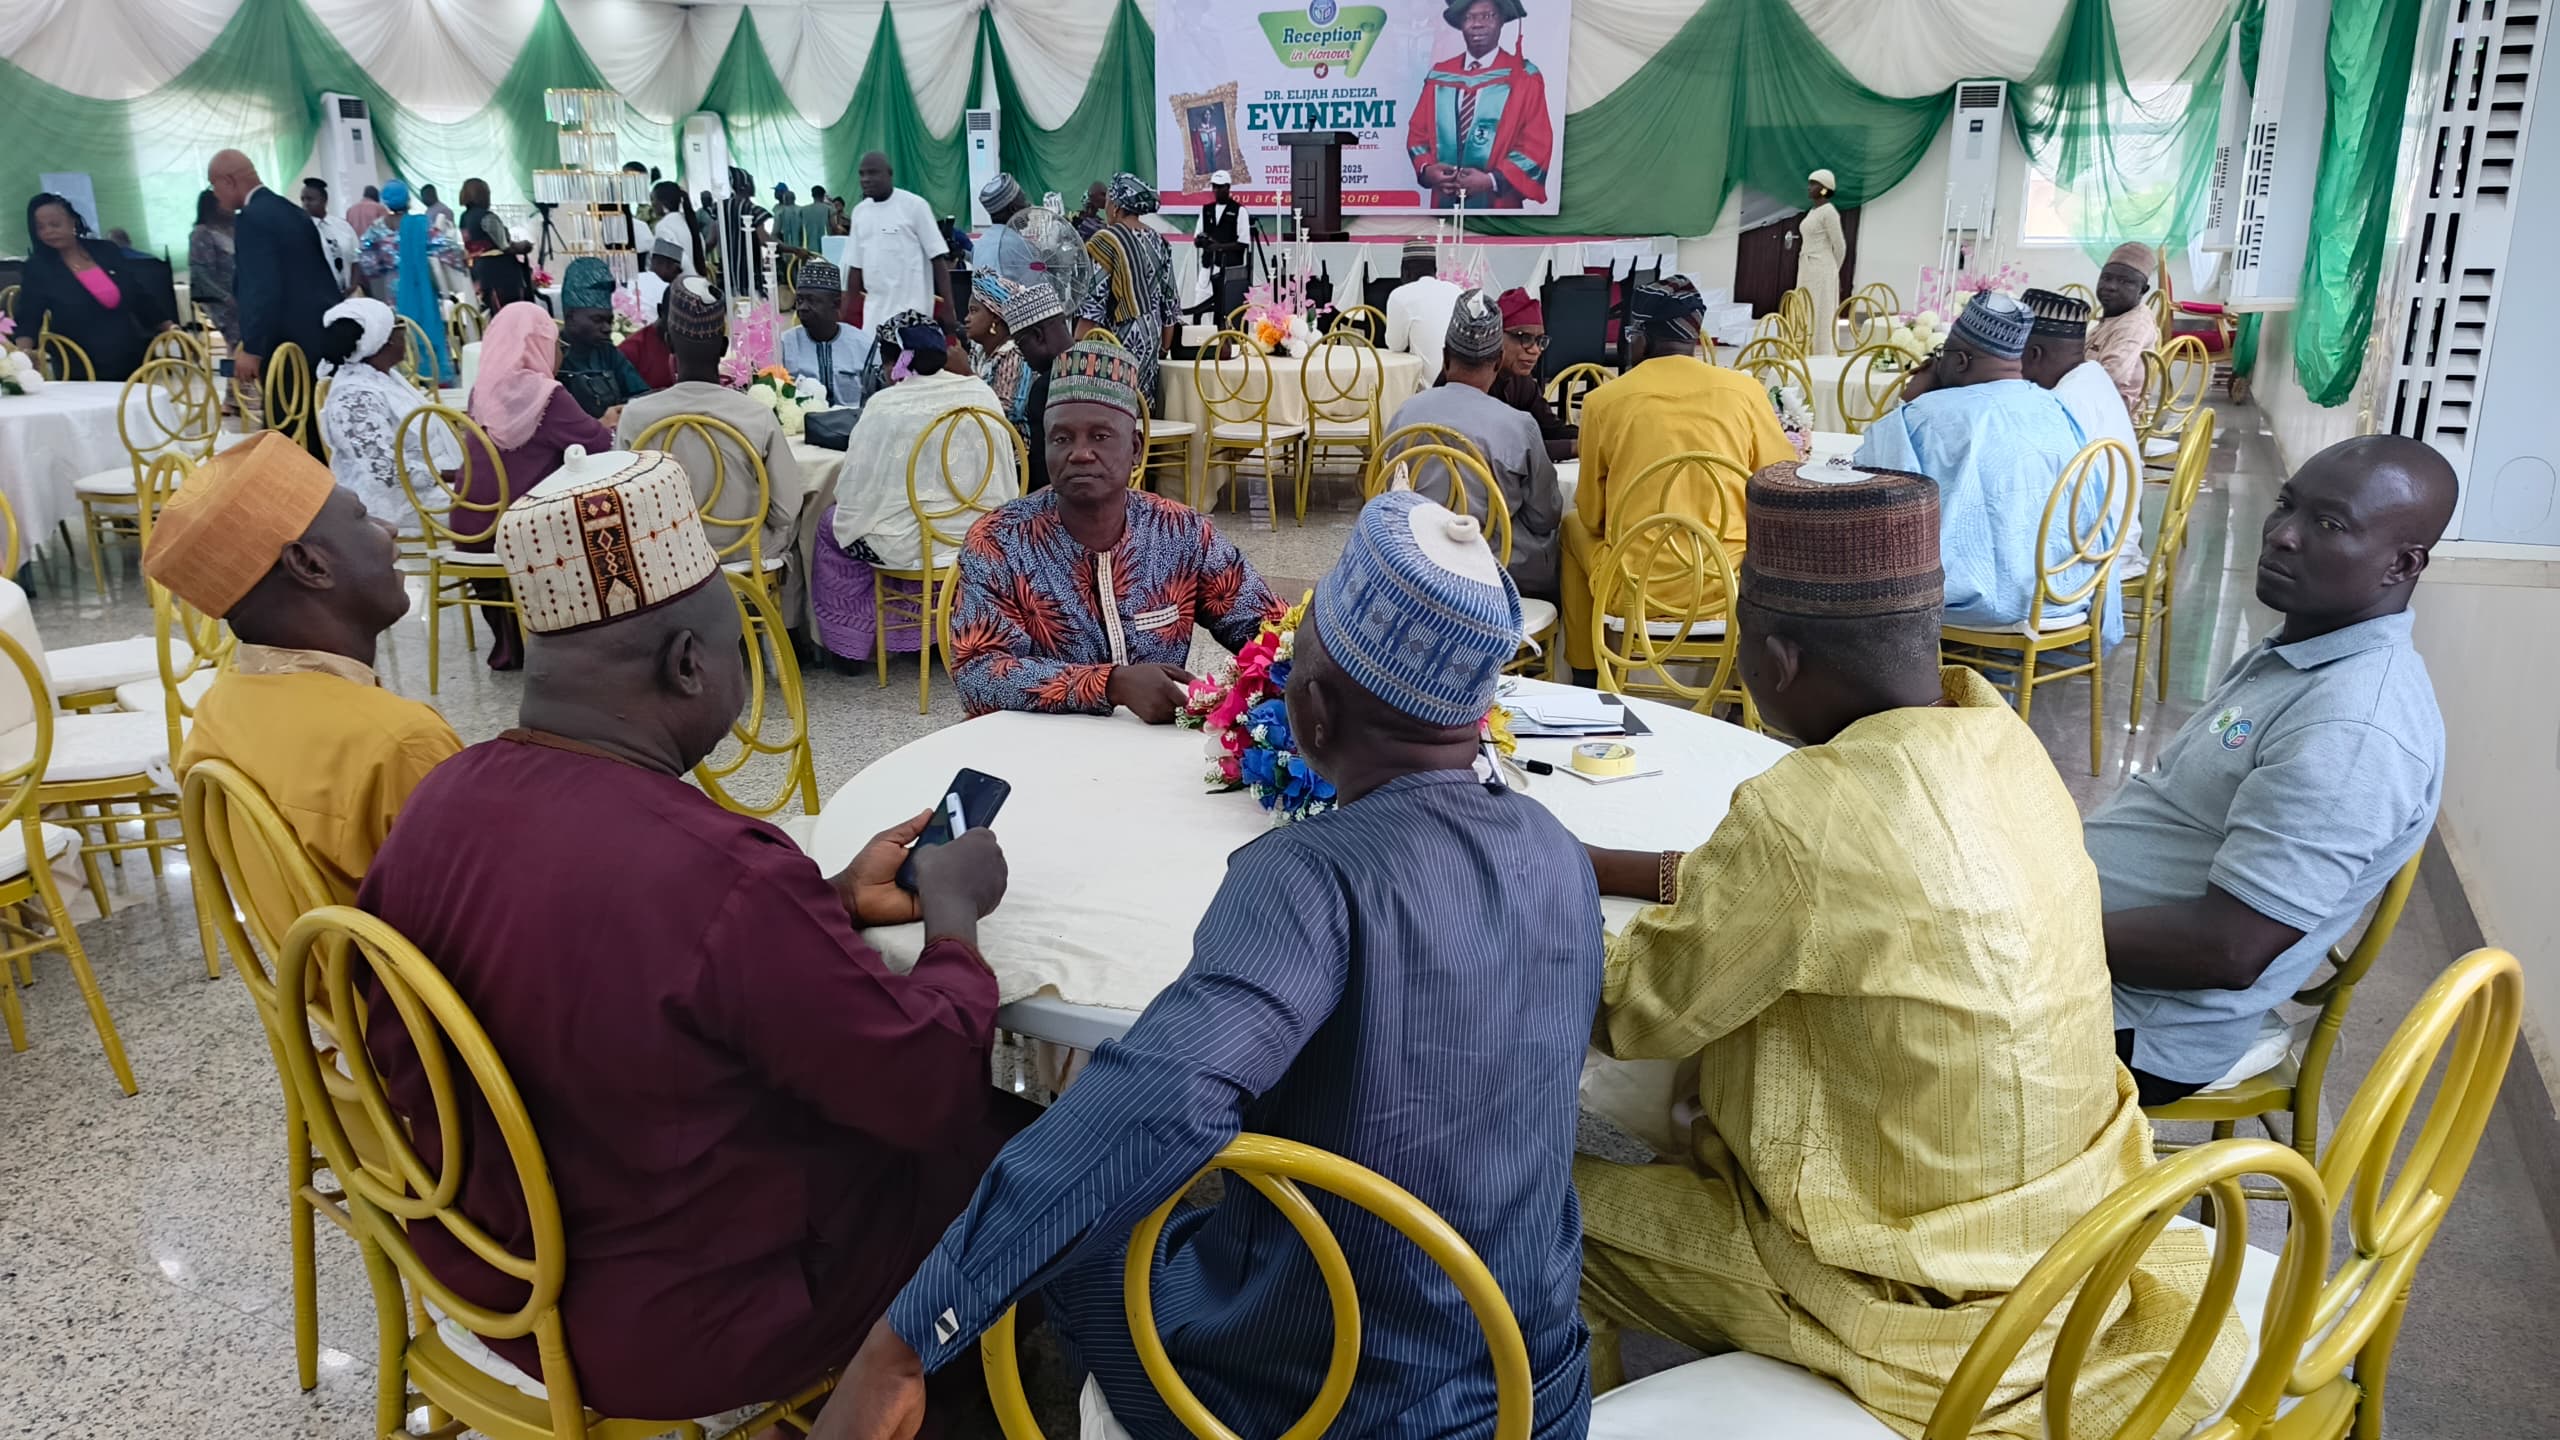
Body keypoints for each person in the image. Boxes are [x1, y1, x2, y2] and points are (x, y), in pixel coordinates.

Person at [814, 487, 1598, 1440]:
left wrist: (905, 1339)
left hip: (1320, 1408)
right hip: (1531, 1386)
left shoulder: (1312, 877)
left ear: (1309, 713)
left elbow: (1158, 1106)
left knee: (1082, 1219)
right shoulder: (1557, 852)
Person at [357, 454, 1029, 1422]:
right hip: (683, 1324)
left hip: (489, 1274)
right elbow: (925, 1087)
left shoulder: (438, 804)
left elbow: (616, 979)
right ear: (687, 663)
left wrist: (830, 904)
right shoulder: (721, 874)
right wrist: (954, 916)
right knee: (1019, 1153)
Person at [1576, 463, 2240, 1439]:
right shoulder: (2004, 743)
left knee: (1539, 1204)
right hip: (2081, 1244)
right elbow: (1830, 903)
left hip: (1927, 1315)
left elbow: (1631, 1012)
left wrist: (1529, 881)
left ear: (1777, 659)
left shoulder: (1803, 817)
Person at [2090, 436, 2455, 1104]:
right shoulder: (2306, 651)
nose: (2282, 534)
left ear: (2401, 564)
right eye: (2287, 504)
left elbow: (2228, 951)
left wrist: (2035, 927)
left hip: (2132, 1023)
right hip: (2099, 963)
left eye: (2329, 524)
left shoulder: (2352, 731)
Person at [144, 431, 459, 924]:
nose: (389, 529)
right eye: (362, 517)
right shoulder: (396, 741)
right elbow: (485, 923)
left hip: (317, 971)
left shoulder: (217, 713)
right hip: (400, 977)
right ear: (309, 564)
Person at [946, 340, 1279, 720]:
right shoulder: (999, 542)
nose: (1080, 453)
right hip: (1035, 747)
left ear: (1135, 447)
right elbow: (978, 675)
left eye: (1100, 437)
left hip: (1152, 745)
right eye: (1061, 438)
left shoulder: (1181, 533)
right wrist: (1109, 684)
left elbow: (1269, 630)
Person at [1857, 291, 2124, 646]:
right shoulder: (2057, 408)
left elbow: (1869, 486)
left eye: (1942, 354)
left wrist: (1907, 401)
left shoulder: (1925, 416)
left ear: (1961, 361)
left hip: (1980, 605)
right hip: (2067, 593)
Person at [1563, 275, 1792, 679]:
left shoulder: (1603, 401)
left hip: (1636, 590)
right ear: (1695, 334)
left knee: (1570, 527)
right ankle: (1743, 684)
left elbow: (1593, 516)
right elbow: (1779, 486)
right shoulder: (1746, 392)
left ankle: (1585, 671)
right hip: (1728, 585)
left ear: (1639, 338)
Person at [814, 319, 1017, 670]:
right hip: (981, 538)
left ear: (894, 363)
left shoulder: (885, 404)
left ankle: (851, 647)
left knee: (833, 525)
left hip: (904, 548)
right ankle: (941, 632)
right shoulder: (981, 393)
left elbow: (852, 493)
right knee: (910, 522)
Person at [615, 278, 807, 577]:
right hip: (746, 557)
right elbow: (785, 510)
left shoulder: (635, 416)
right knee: (799, 531)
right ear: (723, 347)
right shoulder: (756, 415)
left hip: (668, 562)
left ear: (668, 341)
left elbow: (626, 507)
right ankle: (781, 609)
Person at [463, 300, 616, 670]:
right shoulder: (545, 395)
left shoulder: (479, 393)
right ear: (538, 344)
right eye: (556, 344)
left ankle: (514, 640)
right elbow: (599, 444)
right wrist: (607, 419)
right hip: (521, 531)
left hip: (470, 528)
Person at [1382, 288, 1561, 599]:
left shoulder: (1405, 414)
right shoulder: (1519, 426)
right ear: (1498, 362)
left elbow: (1390, 497)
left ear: (1445, 358)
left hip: (1416, 562)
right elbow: (1544, 515)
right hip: (1494, 567)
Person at [314, 296, 458, 530]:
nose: (405, 333)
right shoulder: (354, 398)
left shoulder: (381, 377)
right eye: (399, 326)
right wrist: (453, 476)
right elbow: (387, 472)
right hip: (401, 504)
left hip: (429, 486)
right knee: (502, 501)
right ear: (386, 340)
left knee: (506, 485)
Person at [2022, 288, 2144, 561]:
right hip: (2114, 536)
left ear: (2033, 354)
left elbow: (2034, 494)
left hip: (2092, 557)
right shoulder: (2092, 375)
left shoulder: (2063, 403)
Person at [11, 192, 171, 383]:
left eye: (55, 224)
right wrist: (23, 355)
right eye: (40, 227)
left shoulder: (106, 251)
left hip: (127, 351)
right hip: (78, 361)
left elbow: (138, 296)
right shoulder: (38, 267)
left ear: (73, 221)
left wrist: (170, 328)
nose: (48, 231)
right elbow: (29, 315)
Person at [1408, 0, 1553, 210]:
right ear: (1460, 23)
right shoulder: (1440, 75)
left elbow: (1536, 143)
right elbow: (1417, 133)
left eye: (1487, 16)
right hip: (1444, 207)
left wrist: (1491, 180)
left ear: (1502, 20)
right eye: (1469, 17)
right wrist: (1427, 169)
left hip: (1499, 209)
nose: (1477, 24)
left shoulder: (1523, 76)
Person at [1077, 175, 1181, 409]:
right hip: (1151, 340)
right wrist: (1163, 348)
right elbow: (1170, 302)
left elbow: (1093, 302)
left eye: (1107, 202)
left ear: (1116, 206)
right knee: (1140, 412)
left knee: (1110, 412)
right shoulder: (1159, 241)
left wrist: (1077, 344)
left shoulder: (1106, 240)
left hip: (1116, 342)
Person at [356, 180, 462, 387]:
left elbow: (367, 263)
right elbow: (448, 248)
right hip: (422, 289)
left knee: (400, 332)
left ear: (385, 202)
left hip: (394, 290)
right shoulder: (422, 225)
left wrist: (386, 266)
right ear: (408, 200)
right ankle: (434, 378)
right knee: (426, 328)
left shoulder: (376, 229)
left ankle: (407, 379)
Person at [849, 152, 951, 328]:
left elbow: (938, 260)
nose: (865, 179)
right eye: (862, 174)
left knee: (909, 349)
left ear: (889, 173)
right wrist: (848, 311)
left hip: (913, 318)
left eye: (872, 173)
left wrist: (949, 307)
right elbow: (855, 268)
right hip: (874, 320)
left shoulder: (915, 207)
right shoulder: (859, 212)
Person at [556, 257, 651, 422]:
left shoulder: (607, 352)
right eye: (597, 320)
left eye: (609, 321)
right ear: (571, 318)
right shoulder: (552, 355)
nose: (607, 328)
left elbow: (641, 395)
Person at [779, 259, 874, 408]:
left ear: (836, 304)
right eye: (800, 300)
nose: (802, 307)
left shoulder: (864, 346)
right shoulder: (784, 345)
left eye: (812, 300)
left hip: (853, 421)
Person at [1493, 287, 1573, 459]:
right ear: (1497, 336)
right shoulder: (1476, 378)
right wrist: (1576, 447)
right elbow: (1504, 450)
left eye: (1539, 341)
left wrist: (1597, 435)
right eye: (1525, 338)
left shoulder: (1522, 380)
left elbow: (1551, 429)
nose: (1535, 350)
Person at [2088, 241, 2157, 420]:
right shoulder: (2115, 316)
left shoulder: (2134, 325)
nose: (2110, 286)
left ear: (2142, 291)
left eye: (2124, 281)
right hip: (2093, 404)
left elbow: (2110, 378)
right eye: (2106, 278)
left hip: (2112, 418)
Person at [1384, 239, 1464, 383]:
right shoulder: (1456, 291)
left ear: (1404, 271)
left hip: (1425, 389)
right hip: (1460, 384)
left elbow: (1395, 345)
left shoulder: (1400, 295)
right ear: (1435, 270)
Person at [457, 177, 531, 309]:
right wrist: (524, 246)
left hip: (478, 270)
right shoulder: (487, 217)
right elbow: (505, 246)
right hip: (499, 272)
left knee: (491, 311)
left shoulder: (463, 218)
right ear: (483, 196)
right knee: (510, 310)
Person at [1798, 168, 1846, 356]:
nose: (1809, 187)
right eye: (1809, 183)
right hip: (1807, 267)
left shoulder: (1829, 212)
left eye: (1814, 184)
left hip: (1822, 269)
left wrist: (1833, 271)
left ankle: (1821, 352)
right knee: (1805, 307)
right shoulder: (1813, 211)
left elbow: (1840, 246)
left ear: (1824, 189)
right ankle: (1805, 348)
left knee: (1820, 310)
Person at [188, 188, 240, 351]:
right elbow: (200, 274)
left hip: (244, 293)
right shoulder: (201, 233)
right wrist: (225, 297)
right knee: (239, 343)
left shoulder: (236, 228)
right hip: (222, 300)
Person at [618, 266, 680, 391]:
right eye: (676, 320)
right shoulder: (631, 350)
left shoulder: (692, 344)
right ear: (661, 311)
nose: (682, 329)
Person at [301, 177, 360, 298]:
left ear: (324, 201)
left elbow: (356, 258)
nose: (305, 204)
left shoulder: (343, 226)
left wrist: (353, 285)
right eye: (303, 199)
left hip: (347, 293)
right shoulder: (301, 229)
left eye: (310, 199)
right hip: (318, 296)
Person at [1194, 168, 1249, 294]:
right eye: (1214, 187)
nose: (1216, 190)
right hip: (1208, 266)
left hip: (1230, 269)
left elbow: (1243, 243)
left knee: (1226, 302)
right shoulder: (1206, 210)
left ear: (1228, 187)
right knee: (1200, 298)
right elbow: (1197, 239)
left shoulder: (1239, 211)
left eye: (1220, 187)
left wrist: (1219, 247)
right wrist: (1203, 241)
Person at [650, 179, 706, 279]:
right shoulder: (688, 221)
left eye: (653, 199)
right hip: (696, 280)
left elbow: (681, 258)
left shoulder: (664, 226)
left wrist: (691, 277)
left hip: (682, 282)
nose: (652, 204)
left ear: (662, 202)